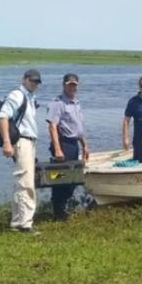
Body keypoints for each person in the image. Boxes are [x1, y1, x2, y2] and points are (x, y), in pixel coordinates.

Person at [0, 69, 42, 233]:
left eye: (37, 82)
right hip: (21, 141)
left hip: (29, 141)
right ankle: (25, 224)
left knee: (22, 181)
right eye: (32, 80)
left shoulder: (30, 97)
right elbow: (3, 117)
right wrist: (7, 142)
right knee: (26, 183)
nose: (35, 84)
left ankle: (18, 222)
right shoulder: (17, 95)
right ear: (24, 79)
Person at [46, 73, 90, 221]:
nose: (72, 87)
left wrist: (85, 145)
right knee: (59, 178)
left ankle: (65, 207)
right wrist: (58, 149)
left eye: (74, 85)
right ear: (64, 85)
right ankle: (58, 212)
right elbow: (52, 126)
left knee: (72, 178)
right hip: (63, 144)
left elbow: (79, 128)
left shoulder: (76, 103)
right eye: (69, 85)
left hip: (74, 144)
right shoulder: (58, 103)